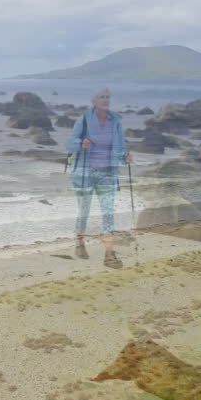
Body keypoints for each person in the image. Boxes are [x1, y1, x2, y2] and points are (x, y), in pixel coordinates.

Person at [64, 87, 131, 268]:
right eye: (101, 97)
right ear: (94, 100)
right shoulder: (84, 119)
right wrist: (80, 143)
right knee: (84, 210)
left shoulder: (115, 120)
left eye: (108, 97)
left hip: (107, 173)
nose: (105, 100)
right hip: (84, 173)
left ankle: (109, 254)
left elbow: (120, 145)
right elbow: (68, 143)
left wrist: (124, 156)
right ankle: (79, 242)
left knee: (108, 212)